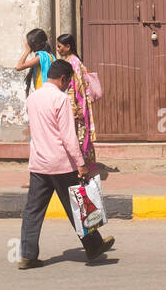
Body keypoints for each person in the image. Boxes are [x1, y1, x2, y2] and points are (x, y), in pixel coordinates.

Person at [18, 58, 115, 269]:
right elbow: (68, 136)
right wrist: (81, 164)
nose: (68, 86)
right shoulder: (60, 99)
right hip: (61, 163)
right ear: (63, 78)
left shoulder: (32, 98)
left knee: (33, 211)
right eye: (68, 82)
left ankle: (27, 254)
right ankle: (93, 246)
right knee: (77, 207)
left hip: (39, 163)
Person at [55, 32, 98, 177]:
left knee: (75, 138)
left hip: (74, 106)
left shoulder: (71, 62)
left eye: (60, 47)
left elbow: (77, 87)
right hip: (75, 105)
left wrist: (77, 108)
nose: (58, 49)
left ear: (68, 47)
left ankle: (78, 170)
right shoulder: (74, 61)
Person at [14, 27, 56, 97]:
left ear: (35, 43)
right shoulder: (49, 55)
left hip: (44, 94)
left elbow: (19, 67)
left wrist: (27, 51)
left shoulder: (41, 57)